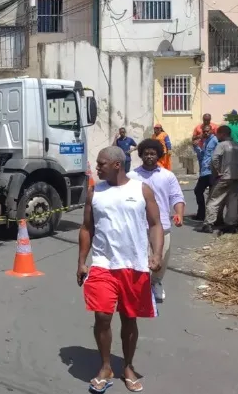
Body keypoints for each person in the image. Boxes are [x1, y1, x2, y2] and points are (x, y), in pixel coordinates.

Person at [78, 146, 164, 393]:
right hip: (103, 264)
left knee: (129, 318)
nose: (97, 168)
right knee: (102, 316)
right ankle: (105, 366)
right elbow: (86, 228)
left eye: (101, 163)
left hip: (134, 265)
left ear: (117, 164)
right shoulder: (95, 193)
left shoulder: (140, 190)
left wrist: (156, 254)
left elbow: (155, 224)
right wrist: (82, 261)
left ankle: (127, 365)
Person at [128, 139, 185, 302]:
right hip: (138, 226)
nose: (149, 156)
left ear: (159, 155)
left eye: (153, 153)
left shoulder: (168, 176)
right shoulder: (132, 176)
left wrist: (179, 213)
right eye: (146, 153)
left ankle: (156, 283)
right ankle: (140, 288)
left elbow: (176, 197)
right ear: (141, 155)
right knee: (140, 260)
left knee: (161, 259)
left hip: (162, 226)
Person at [199, 125, 238, 234]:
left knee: (213, 199)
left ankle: (208, 224)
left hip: (223, 177)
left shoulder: (221, 145)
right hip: (237, 177)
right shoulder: (237, 146)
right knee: (232, 201)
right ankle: (232, 225)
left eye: (217, 134)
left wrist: (218, 171)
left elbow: (214, 158)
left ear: (222, 134)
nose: (217, 136)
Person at [192, 124, 219, 221]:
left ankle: (212, 217)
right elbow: (202, 156)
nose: (206, 133)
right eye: (204, 131)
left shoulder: (215, 140)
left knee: (212, 195)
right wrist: (196, 147)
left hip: (212, 171)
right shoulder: (205, 142)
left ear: (211, 131)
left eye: (208, 131)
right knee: (198, 191)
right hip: (204, 171)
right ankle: (202, 214)